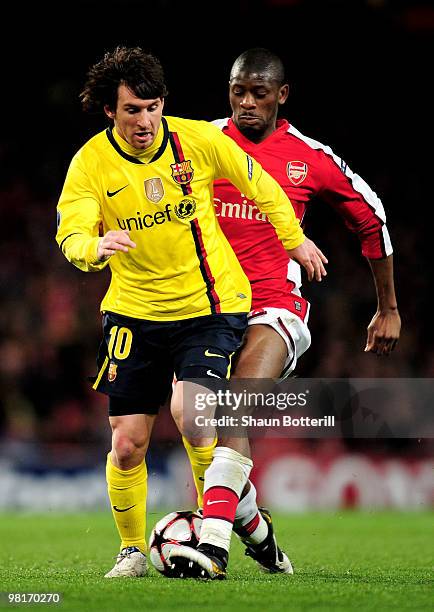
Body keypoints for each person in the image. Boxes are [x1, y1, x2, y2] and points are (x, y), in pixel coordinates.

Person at [55, 46, 327, 579]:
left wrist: (294, 241)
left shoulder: (198, 141)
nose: (145, 121)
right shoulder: (90, 162)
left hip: (211, 307)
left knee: (195, 416)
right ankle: (142, 550)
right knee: (128, 444)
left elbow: (261, 185)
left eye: (153, 107)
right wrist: (93, 247)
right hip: (134, 313)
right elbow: (71, 228)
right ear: (111, 111)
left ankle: (212, 533)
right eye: (132, 110)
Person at [170, 48, 401, 579]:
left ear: (282, 95)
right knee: (197, 421)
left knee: (236, 407)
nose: (247, 103)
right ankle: (261, 537)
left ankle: (213, 544)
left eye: (258, 92)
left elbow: (373, 220)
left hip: (276, 304)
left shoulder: (309, 156)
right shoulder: (200, 143)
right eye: (237, 92)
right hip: (206, 308)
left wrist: (387, 307)